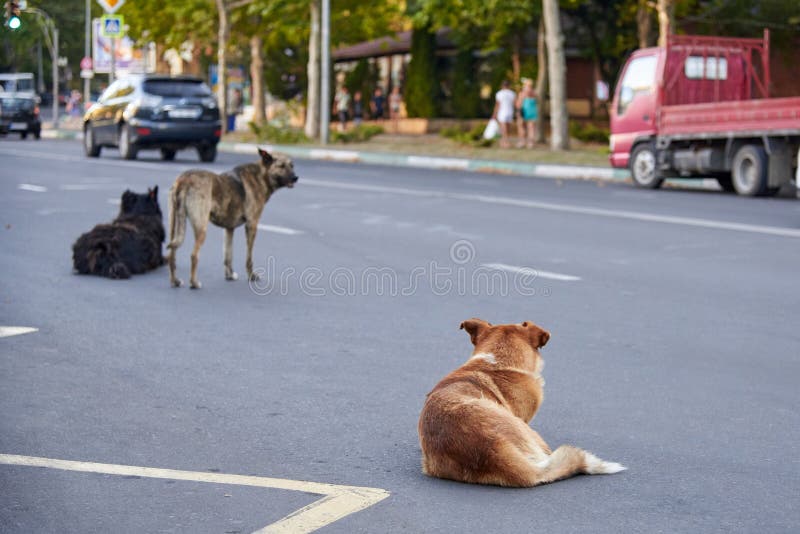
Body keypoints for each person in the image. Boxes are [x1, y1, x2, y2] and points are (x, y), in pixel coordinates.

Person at [492, 80, 516, 148]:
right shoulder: (512, 93)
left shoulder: (499, 93)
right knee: (507, 128)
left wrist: (494, 113)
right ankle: (506, 141)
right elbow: (515, 103)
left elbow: (497, 105)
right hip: (510, 112)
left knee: (503, 128)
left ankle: (504, 142)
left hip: (502, 112)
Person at [516, 78, 538, 148]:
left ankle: (522, 142)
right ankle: (530, 143)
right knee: (531, 128)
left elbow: (518, 104)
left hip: (524, 112)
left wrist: (518, 112)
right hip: (533, 112)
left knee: (522, 127)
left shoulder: (522, 93)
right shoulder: (534, 93)